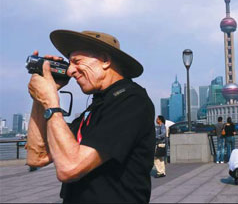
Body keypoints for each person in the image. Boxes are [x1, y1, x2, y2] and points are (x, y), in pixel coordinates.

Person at [26, 30, 155, 203]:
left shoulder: (131, 100)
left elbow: (69, 167)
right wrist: (40, 97)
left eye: (76, 61)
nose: (70, 71)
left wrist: (50, 100)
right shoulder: (95, 107)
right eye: (69, 63)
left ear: (105, 60)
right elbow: (37, 157)